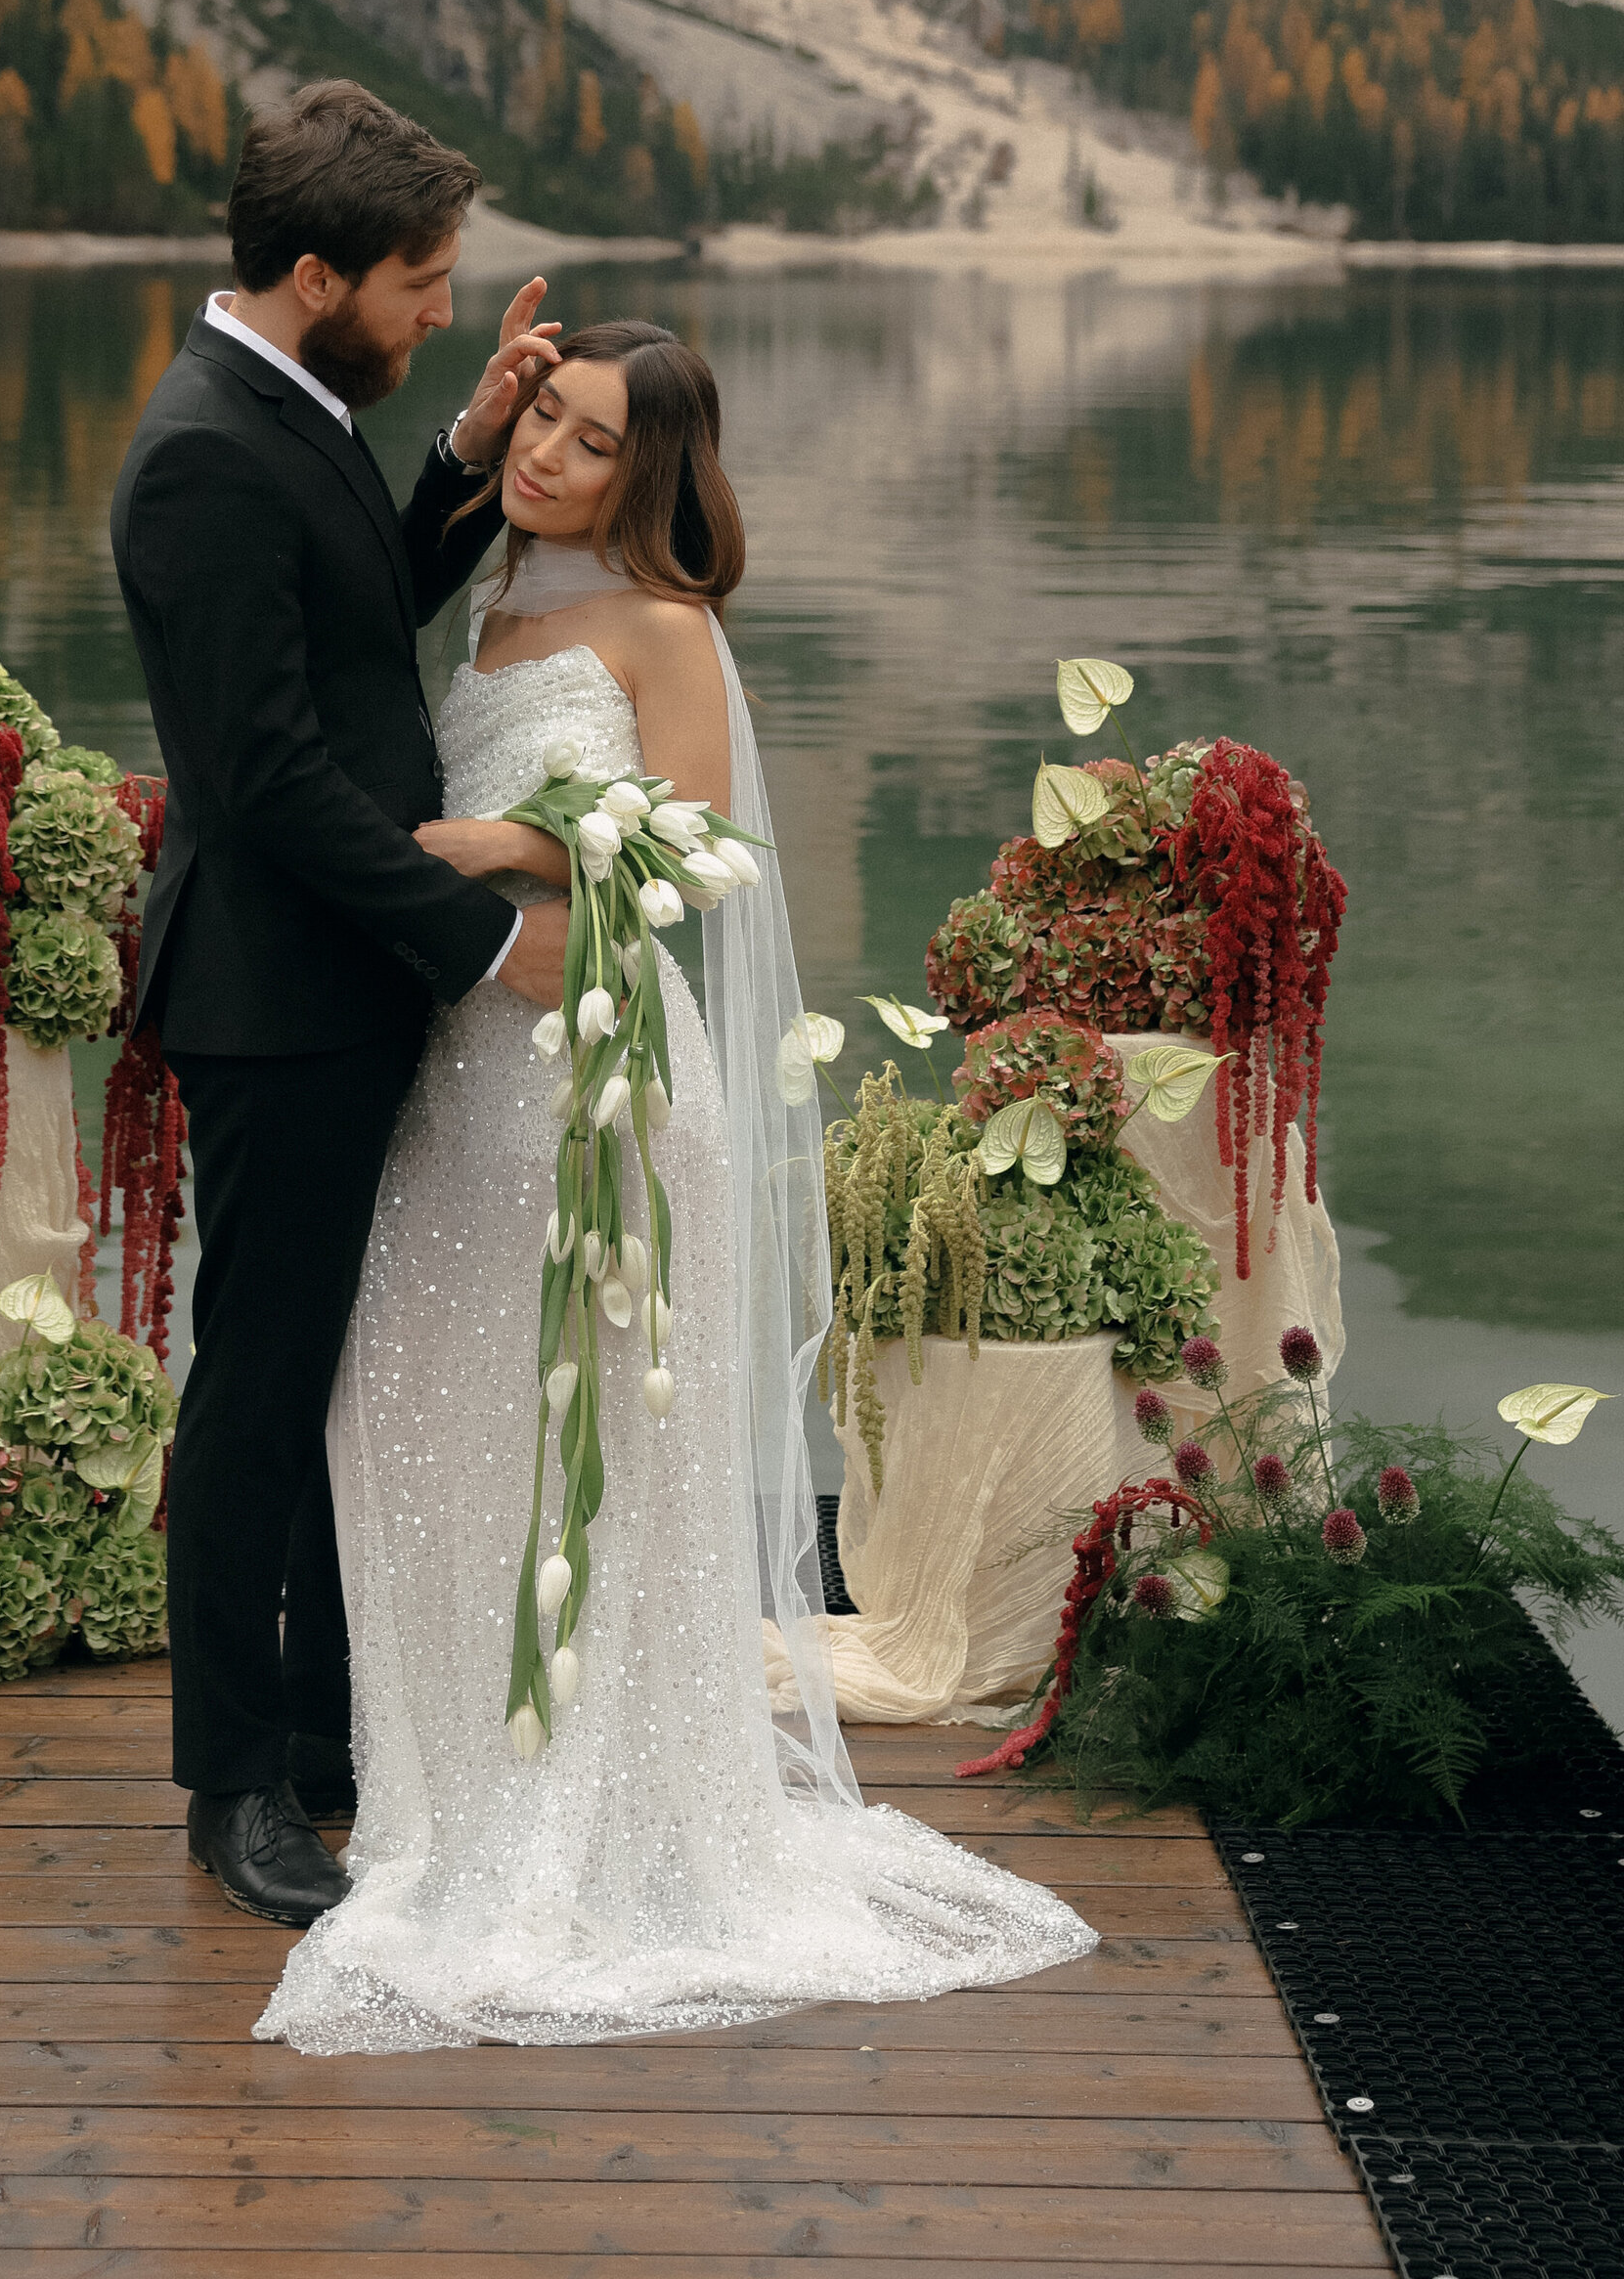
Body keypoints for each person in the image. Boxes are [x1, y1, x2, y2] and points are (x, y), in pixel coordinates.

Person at [257, 317, 1096, 2050]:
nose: (550, 453)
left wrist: (507, 841)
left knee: (595, 1440)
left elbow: (703, 855)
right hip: (456, 1077)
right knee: (425, 1414)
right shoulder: (489, 604)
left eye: (588, 438)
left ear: (653, 472)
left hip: (600, 1089)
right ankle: (448, 1780)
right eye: (541, 420)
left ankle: (600, 1806)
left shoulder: (666, 622)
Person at [110, 79, 569, 1930]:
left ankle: (314, 1729)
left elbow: (359, 609)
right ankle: (234, 1791)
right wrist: (476, 940)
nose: (443, 307)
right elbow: (272, 780)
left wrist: (460, 457)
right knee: (259, 1384)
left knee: (312, 1367)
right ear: (318, 275)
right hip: (281, 995)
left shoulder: (278, 404)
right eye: (422, 285)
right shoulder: (203, 451)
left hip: (330, 980)